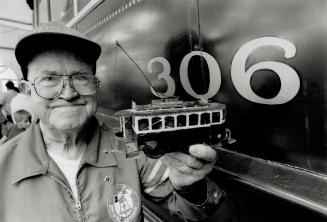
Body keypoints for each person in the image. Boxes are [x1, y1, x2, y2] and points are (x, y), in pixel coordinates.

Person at [0, 22, 224, 222]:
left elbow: (184, 212)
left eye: (80, 77)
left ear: (96, 86)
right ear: (26, 91)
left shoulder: (132, 150)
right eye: (49, 78)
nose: (68, 94)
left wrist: (190, 189)